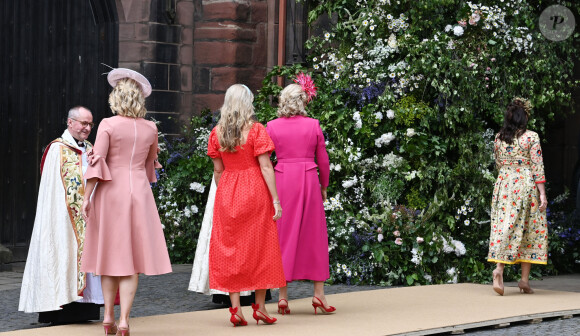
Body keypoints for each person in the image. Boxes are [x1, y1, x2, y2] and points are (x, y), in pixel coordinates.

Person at [81, 68, 172, 335]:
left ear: (116, 98)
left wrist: (86, 198)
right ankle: (124, 321)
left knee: (109, 256)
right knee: (132, 261)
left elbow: (97, 166)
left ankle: (108, 317)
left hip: (111, 193)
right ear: (139, 101)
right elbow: (148, 166)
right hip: (139, 193)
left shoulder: (108, 125)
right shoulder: (151, 127)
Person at [207, 84, 286, 326]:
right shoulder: (256, 130)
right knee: (260, 248)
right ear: (247, 103)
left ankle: (235, 309)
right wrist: (275, 199)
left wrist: (226, 195)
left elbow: (218, 171)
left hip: (228, 190)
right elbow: (265, 166)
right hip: (254, 191)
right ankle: (259, 307)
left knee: (231, 248)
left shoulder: (217, 132)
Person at [19, 106, 104, 324]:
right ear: (70, 122)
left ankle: (84, 310)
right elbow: (52, 190)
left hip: (86, 216)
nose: (87, 128)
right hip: (61, 218)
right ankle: (58, 308)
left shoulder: (91, 148)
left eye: (90, 124)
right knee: (61, 255)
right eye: (83, 123)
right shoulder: (57, 149)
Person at [266, 78, 336, 315]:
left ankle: (283, 297)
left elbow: (265, 160)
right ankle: (319, 295)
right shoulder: (313, 125)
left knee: (283, 234)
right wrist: (324, 186)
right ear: (304, 101)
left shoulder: (271, 126)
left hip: (283, 179)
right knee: (314, 235)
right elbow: (323, 159)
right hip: (308, 180)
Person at [488, 98, 548, 295]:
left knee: (505, 225)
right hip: (524, 184)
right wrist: (542, 194)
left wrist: (508, 173)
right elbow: (537, 166)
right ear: (525, 118)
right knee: (529, 228)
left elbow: (497, 163)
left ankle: (502, 269)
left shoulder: (499, 137)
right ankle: (521, 279)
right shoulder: (531, 137)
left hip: (504, 183)